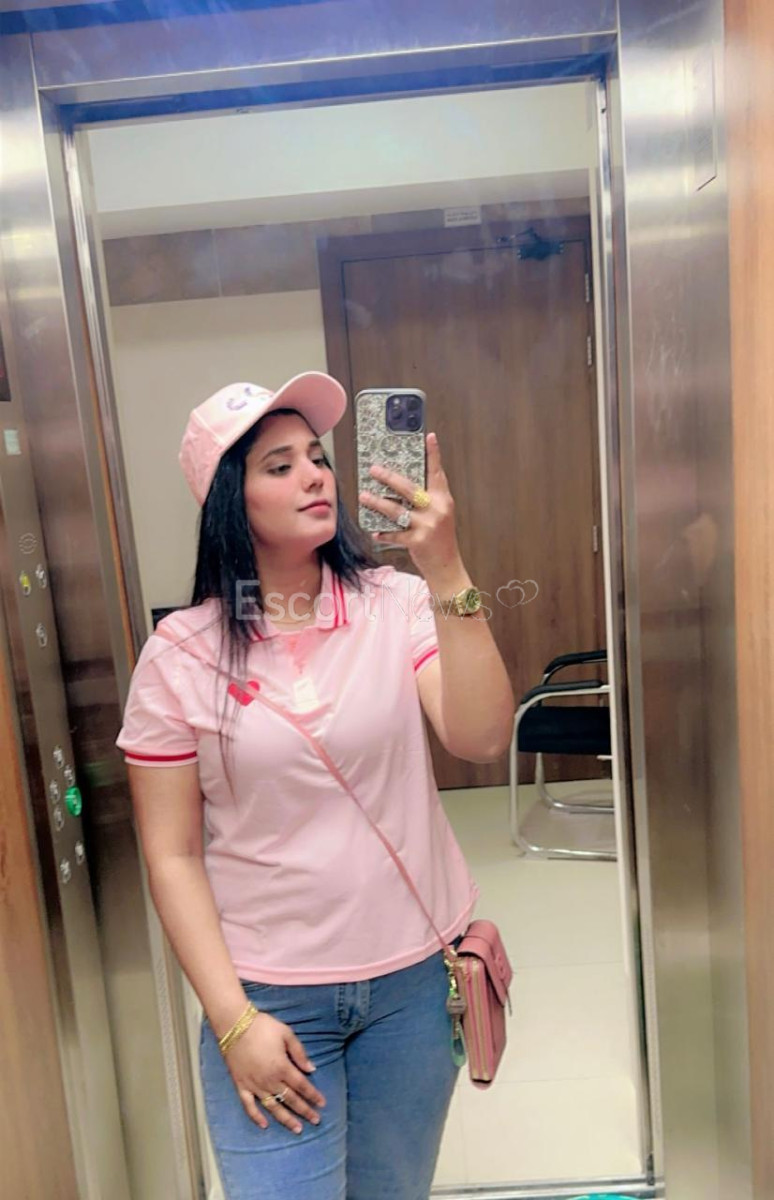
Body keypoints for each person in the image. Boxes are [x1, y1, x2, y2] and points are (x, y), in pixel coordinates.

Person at [117, 372, 514, 1200]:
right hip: (268, 998)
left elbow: (480, 738)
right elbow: (172, 856)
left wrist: (447, 570)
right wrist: (233, 1022)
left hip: (412, 984)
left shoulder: (397, 603)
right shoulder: (179, 655)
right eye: (280, 465)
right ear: (230, 503)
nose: (315, 477)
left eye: (319, 458)